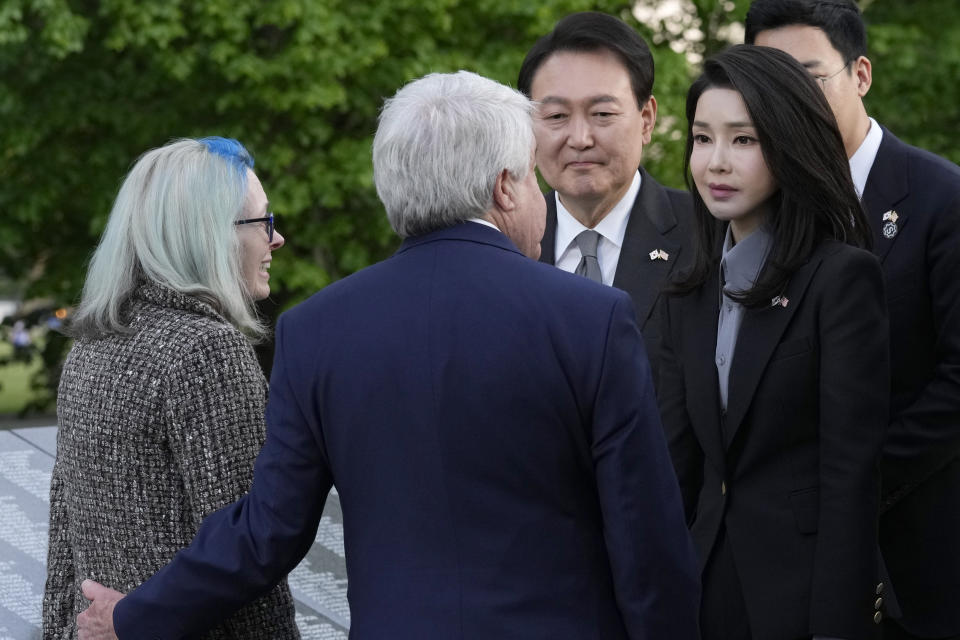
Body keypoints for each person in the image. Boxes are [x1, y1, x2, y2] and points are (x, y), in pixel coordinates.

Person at [75, 71, 700, 640]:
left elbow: (265, 533)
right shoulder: (592, 318)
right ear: (505, 188)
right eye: (534, 177)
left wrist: (134, 615)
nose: (542, 199)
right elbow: (647, 544)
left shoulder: (316, 330)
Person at [659, 45, 890, 640]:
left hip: (802, 595)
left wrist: (837, 627)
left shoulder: (841, 278)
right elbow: (680, 465)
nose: (715, 162)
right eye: (702, 138)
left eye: (743, 140)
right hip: (702, 589)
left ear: (788, 144)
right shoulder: (689, 288)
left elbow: (850, 476)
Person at [745, 3, 960, 638]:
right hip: (782, 557)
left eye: (806, 78)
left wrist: (849, 484)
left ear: (860, 74)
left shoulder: (940, 198)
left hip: (916, 542)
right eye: (770, 84)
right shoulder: (754, 203)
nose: (788, 101)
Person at [43, 137, 295, 639]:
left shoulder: (91, 349)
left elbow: (62, 547)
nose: (277, 238)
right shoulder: (206, 352)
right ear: (210, 235)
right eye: (263, 221)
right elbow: (245, 556)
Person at [517, 11, 695, 383]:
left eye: (602, 113)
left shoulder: (707, 235)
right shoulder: (503, 247)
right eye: (556, 116)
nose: (580, 138)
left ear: (646, 119)